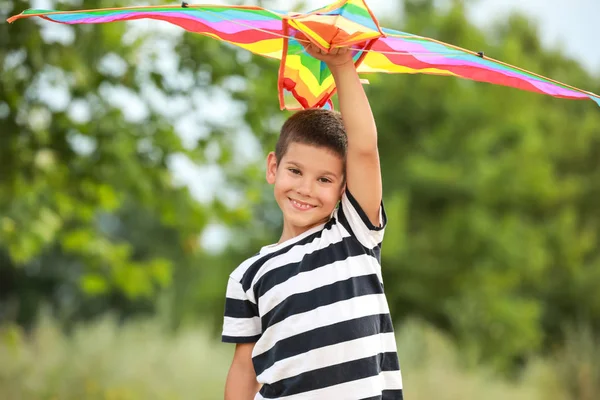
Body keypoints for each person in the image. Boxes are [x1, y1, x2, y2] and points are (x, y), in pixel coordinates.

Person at [221, 40, 404, 400]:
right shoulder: (248, 275)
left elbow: (364, 147)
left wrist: (341, 65)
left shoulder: (354, 234)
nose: (305, 189)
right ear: (273, 167)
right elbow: (244, 368)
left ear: (343, 187)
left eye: (324, 179)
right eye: (295, 171)